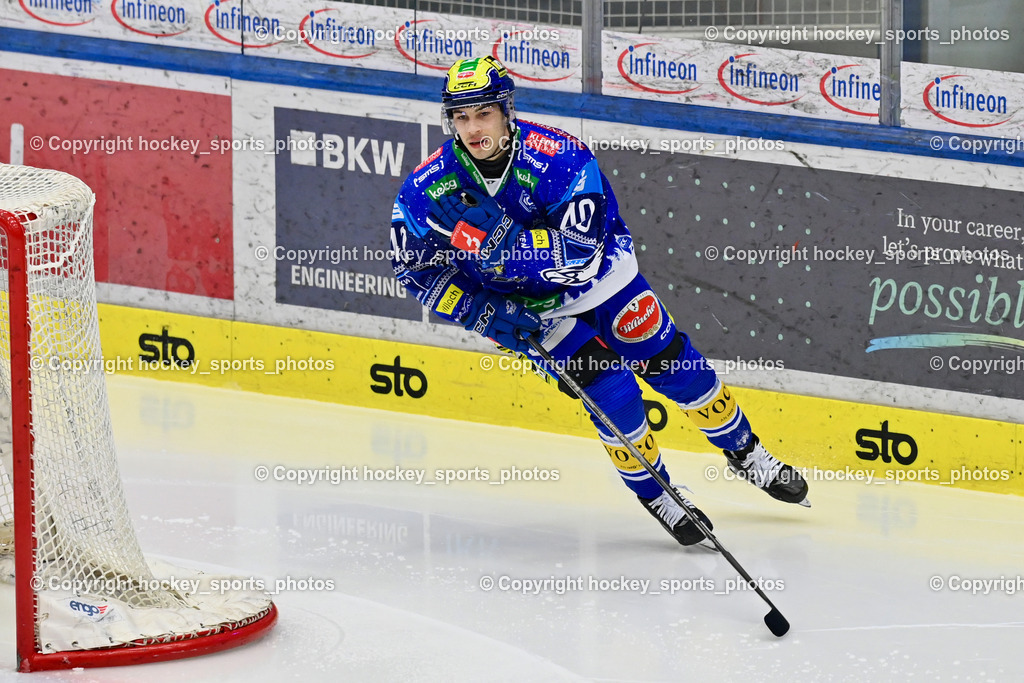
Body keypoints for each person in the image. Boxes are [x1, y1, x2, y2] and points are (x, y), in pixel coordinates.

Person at [390, 56, 809, 547]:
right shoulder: (427, 187)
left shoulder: (561, 158)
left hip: (604, 284)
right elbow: (412, 268)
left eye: (483, 113)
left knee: (676, 367)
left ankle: (746, 452)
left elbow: (582, 258)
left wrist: (501, 243)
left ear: (507, 111)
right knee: (610, 393)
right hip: (532, 312)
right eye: (461, 117)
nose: (472, 128)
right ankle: (659, 495)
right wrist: (480, 310)